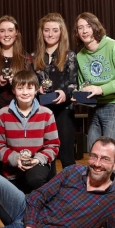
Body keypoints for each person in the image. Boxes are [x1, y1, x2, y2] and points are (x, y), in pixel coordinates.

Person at [73, 12, 115, 152]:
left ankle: (113, 175)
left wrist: (101, 89)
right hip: (93, 106)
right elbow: (84, 84)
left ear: (96, 27)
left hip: (113, 105)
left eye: (88, 26)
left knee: (108, 152)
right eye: (80, 27)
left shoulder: (113, 46)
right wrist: (78, 94)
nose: (84, 31)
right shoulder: (80, 55)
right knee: (93, 150)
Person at [0, 70, 60, 193]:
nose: (25, 92)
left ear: (36, 90)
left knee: (35, 179)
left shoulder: (47, 114)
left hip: (38, 164)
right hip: (12, 168)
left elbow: (53, 145)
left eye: (29, 88)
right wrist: (16, 158)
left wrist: (38, 159)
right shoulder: (2, 114)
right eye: (20, 88)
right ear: (13, 90)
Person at [0, 15, 34, 174]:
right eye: (2, 31)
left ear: (16, 33)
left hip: (18, 111)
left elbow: (31, 86)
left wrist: (17, 83)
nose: (6, 34)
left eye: (10, 30)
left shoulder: (25, 59)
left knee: (18, 149)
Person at [33, 13, 78, 170]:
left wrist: (65, 93)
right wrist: (36, 89)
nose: (50, 34)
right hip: (41, 112)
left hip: (64, 111)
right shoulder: (34, 57)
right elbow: (30, 84)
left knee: (66, 156)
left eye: (54, 30)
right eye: (46, 30)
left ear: (61, 32)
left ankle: (72, 193)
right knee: (44, 156)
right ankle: (47, 192)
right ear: (42, 32)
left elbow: (74, 84)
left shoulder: (69, 56)